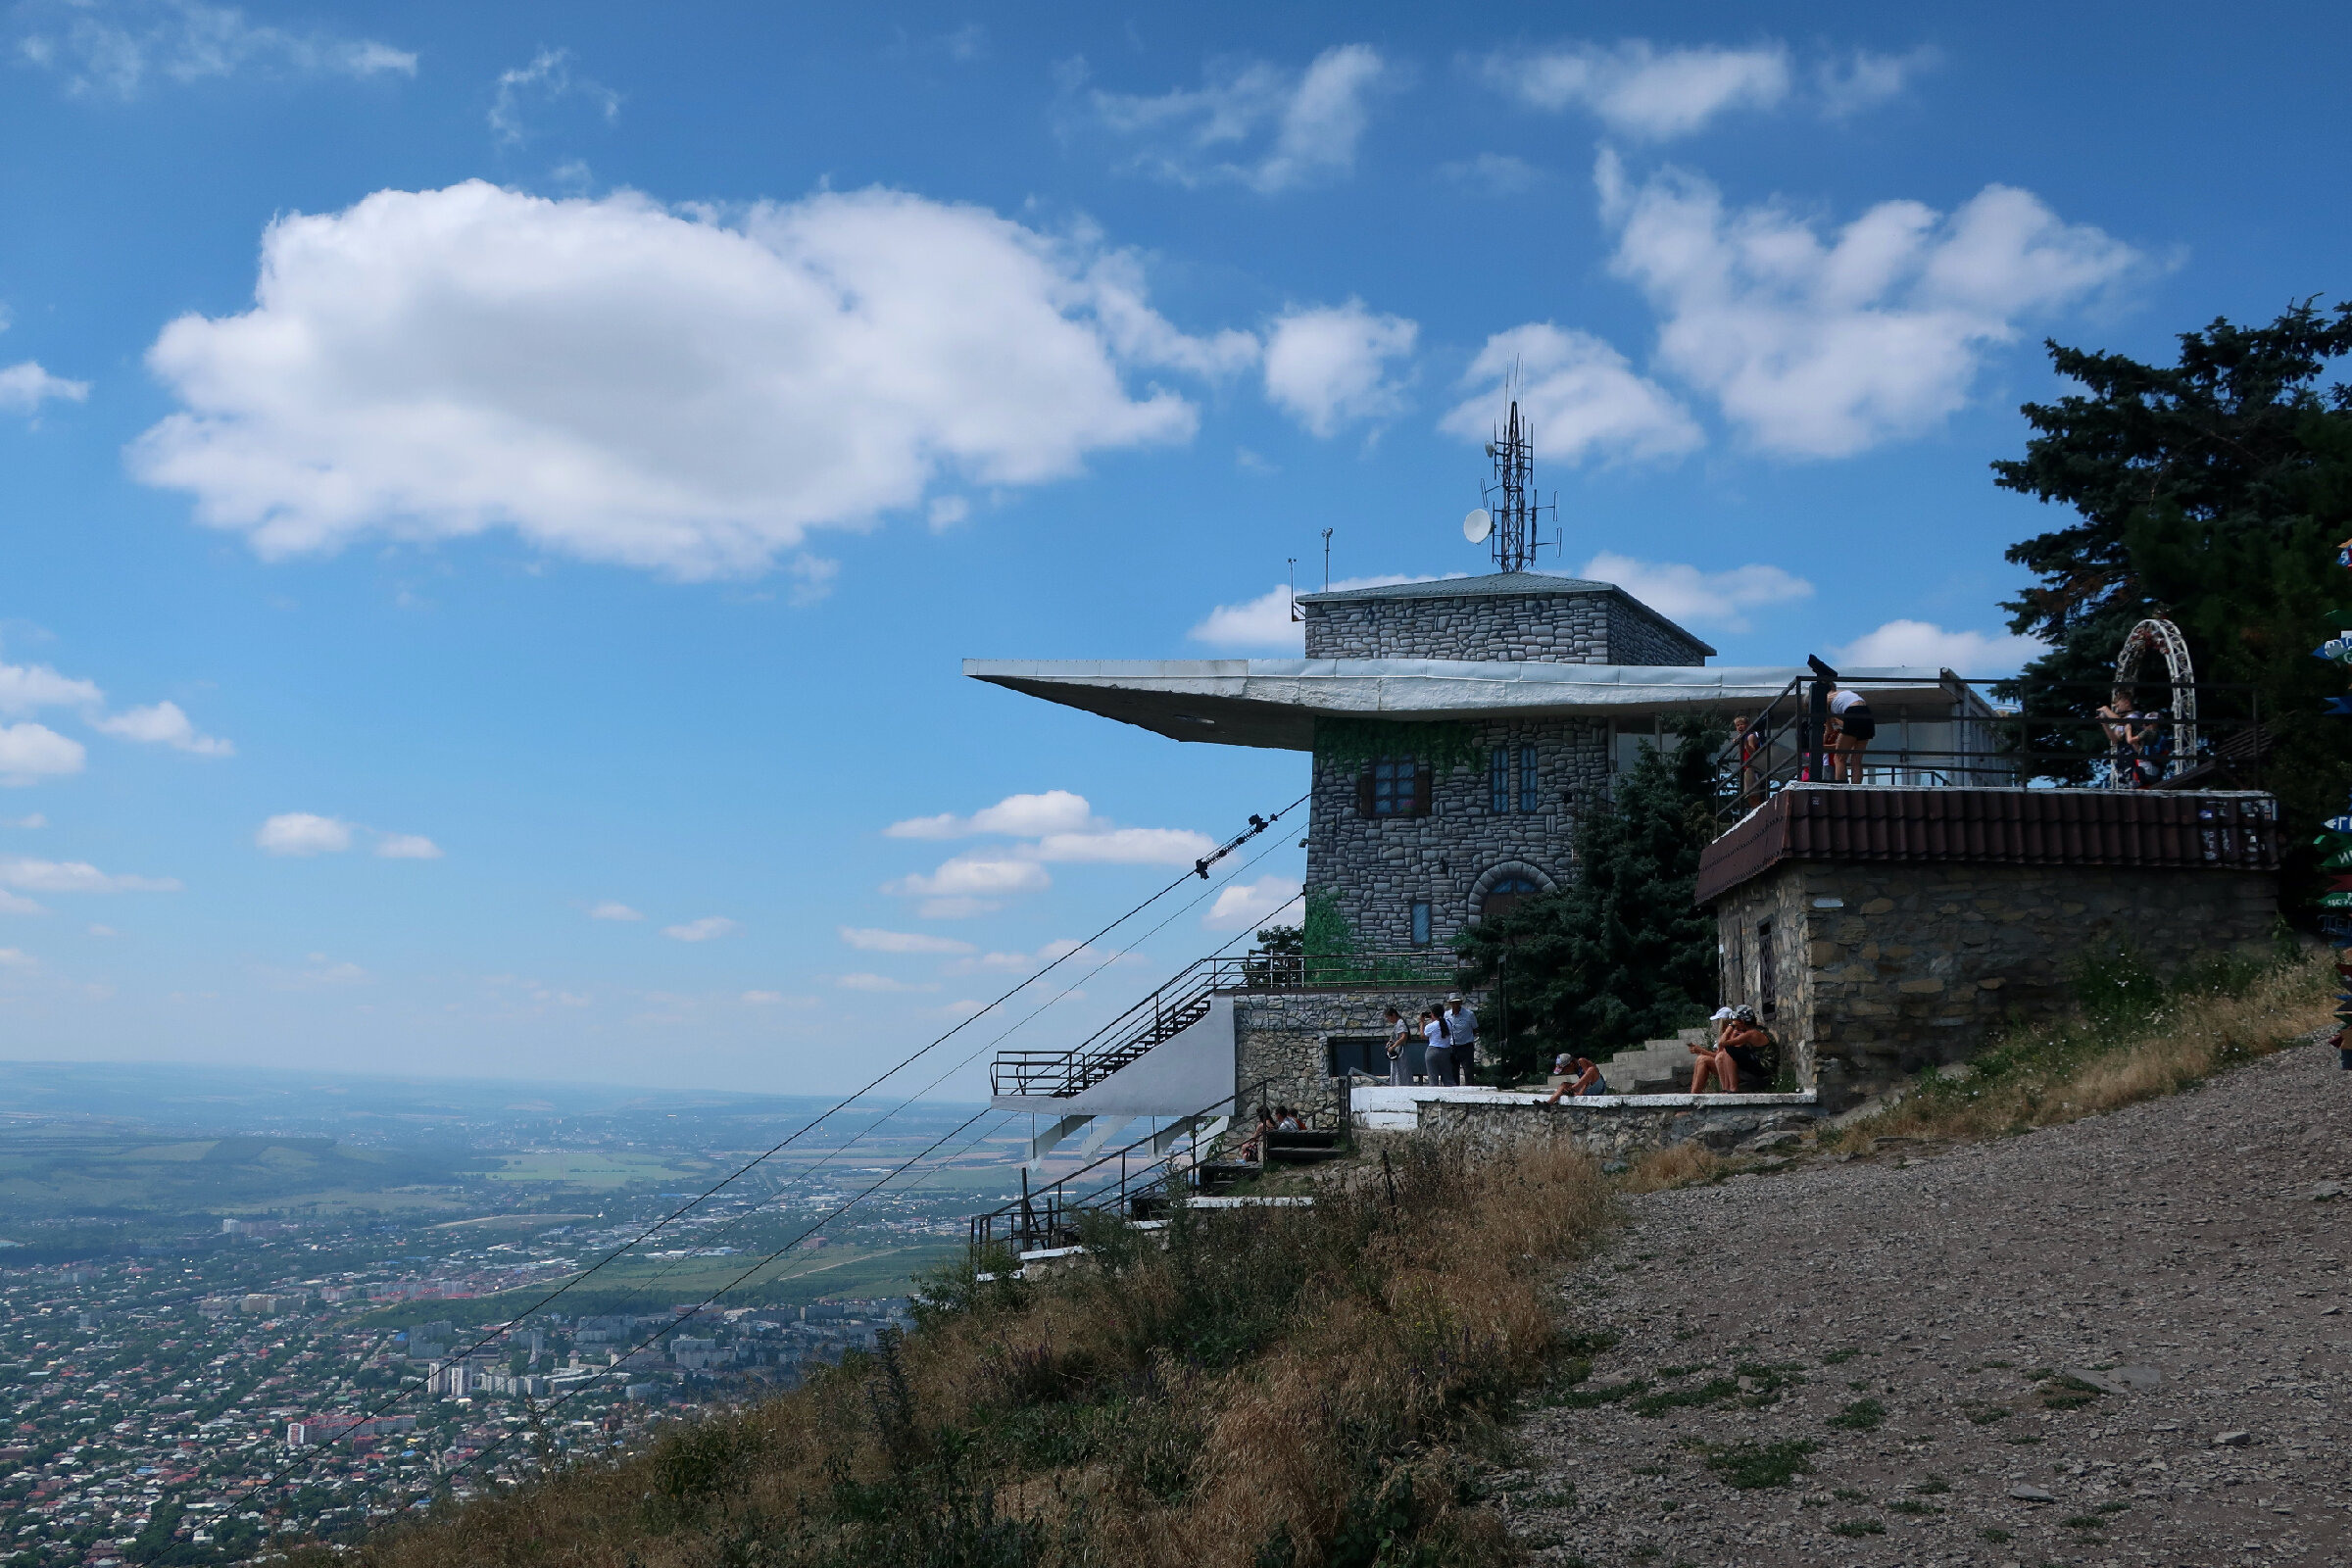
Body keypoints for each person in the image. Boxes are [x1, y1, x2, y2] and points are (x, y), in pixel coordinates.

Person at [1826, 683, 1875, 784]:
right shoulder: (1844, 693)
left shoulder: (1826, 698)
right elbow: (1849, 723)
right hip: (1867, 714)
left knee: (1839, 758)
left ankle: (1841, 789)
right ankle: (1856, 789)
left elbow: (1829, 730)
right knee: (1856, 760)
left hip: (1853, 713)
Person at [1444, 994, 1479, 1083]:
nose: (1455, 1005)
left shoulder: (1469, 1014)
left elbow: (1475, 1029)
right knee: (1453, 1072)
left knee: (1469, 1071)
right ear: (1450, 1004)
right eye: (1453, 1003)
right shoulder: (1446, 1015)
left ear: (1460, 1003)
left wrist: (1467, 1036)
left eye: (1457, 1003)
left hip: (1466, 1046)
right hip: (1452, 1046)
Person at [1422, 1006, 1455, 1087]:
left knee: (1433, 1078)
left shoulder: (1430, 1026)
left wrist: (1421, 1023)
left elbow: (1423, 1036)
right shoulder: (1449, 1023)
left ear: (1432, 1014)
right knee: (1448, 1077)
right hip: (1445, 1051)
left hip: (1432, 1051)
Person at [1382, 1005, 1413, 1086]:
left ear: (1393, 1015)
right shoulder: (1397, 1024)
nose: (1388, 1020)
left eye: (1389, 1017)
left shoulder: (1400, 1023)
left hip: (1400, 1053)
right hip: (1397, 1053)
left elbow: (1404, 1036)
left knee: (1402, 1073)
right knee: (1398, 1073)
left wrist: (1393, 1046)